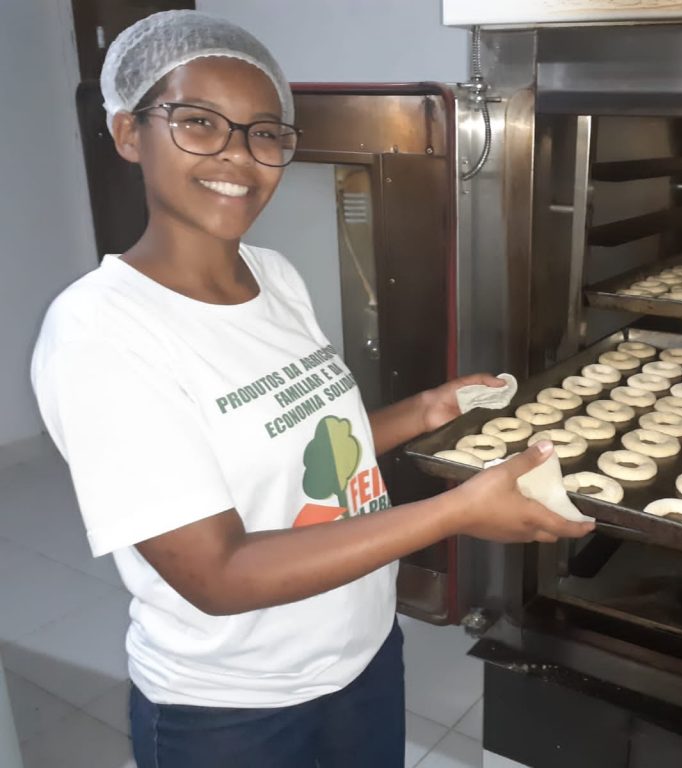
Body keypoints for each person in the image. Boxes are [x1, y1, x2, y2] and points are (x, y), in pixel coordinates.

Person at [30, 10, 593, 768]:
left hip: (361, 654)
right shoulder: (101, 335)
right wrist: (457, 511)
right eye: (199, 122)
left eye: (265, 132)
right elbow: (218, 574)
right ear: (130, 133)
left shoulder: (274, 276)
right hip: (233, 708)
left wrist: (427, 411)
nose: (239, 155)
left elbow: (303, 437)